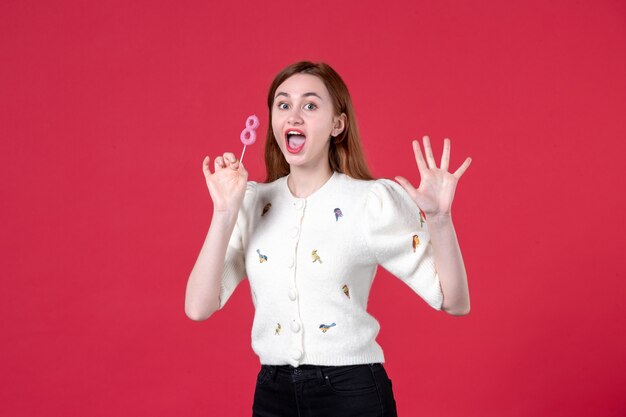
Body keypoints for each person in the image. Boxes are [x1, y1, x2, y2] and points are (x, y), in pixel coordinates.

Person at [185, 61, 471, 417]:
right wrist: (224, 213)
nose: (294, 116)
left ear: (338, 124)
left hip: (352, 395)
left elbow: (455, 301)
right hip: (273, 395)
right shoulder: (251, 202)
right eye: (283, 104)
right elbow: (198, 307)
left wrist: (441, 220)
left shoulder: (370, 203)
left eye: (310, 105)